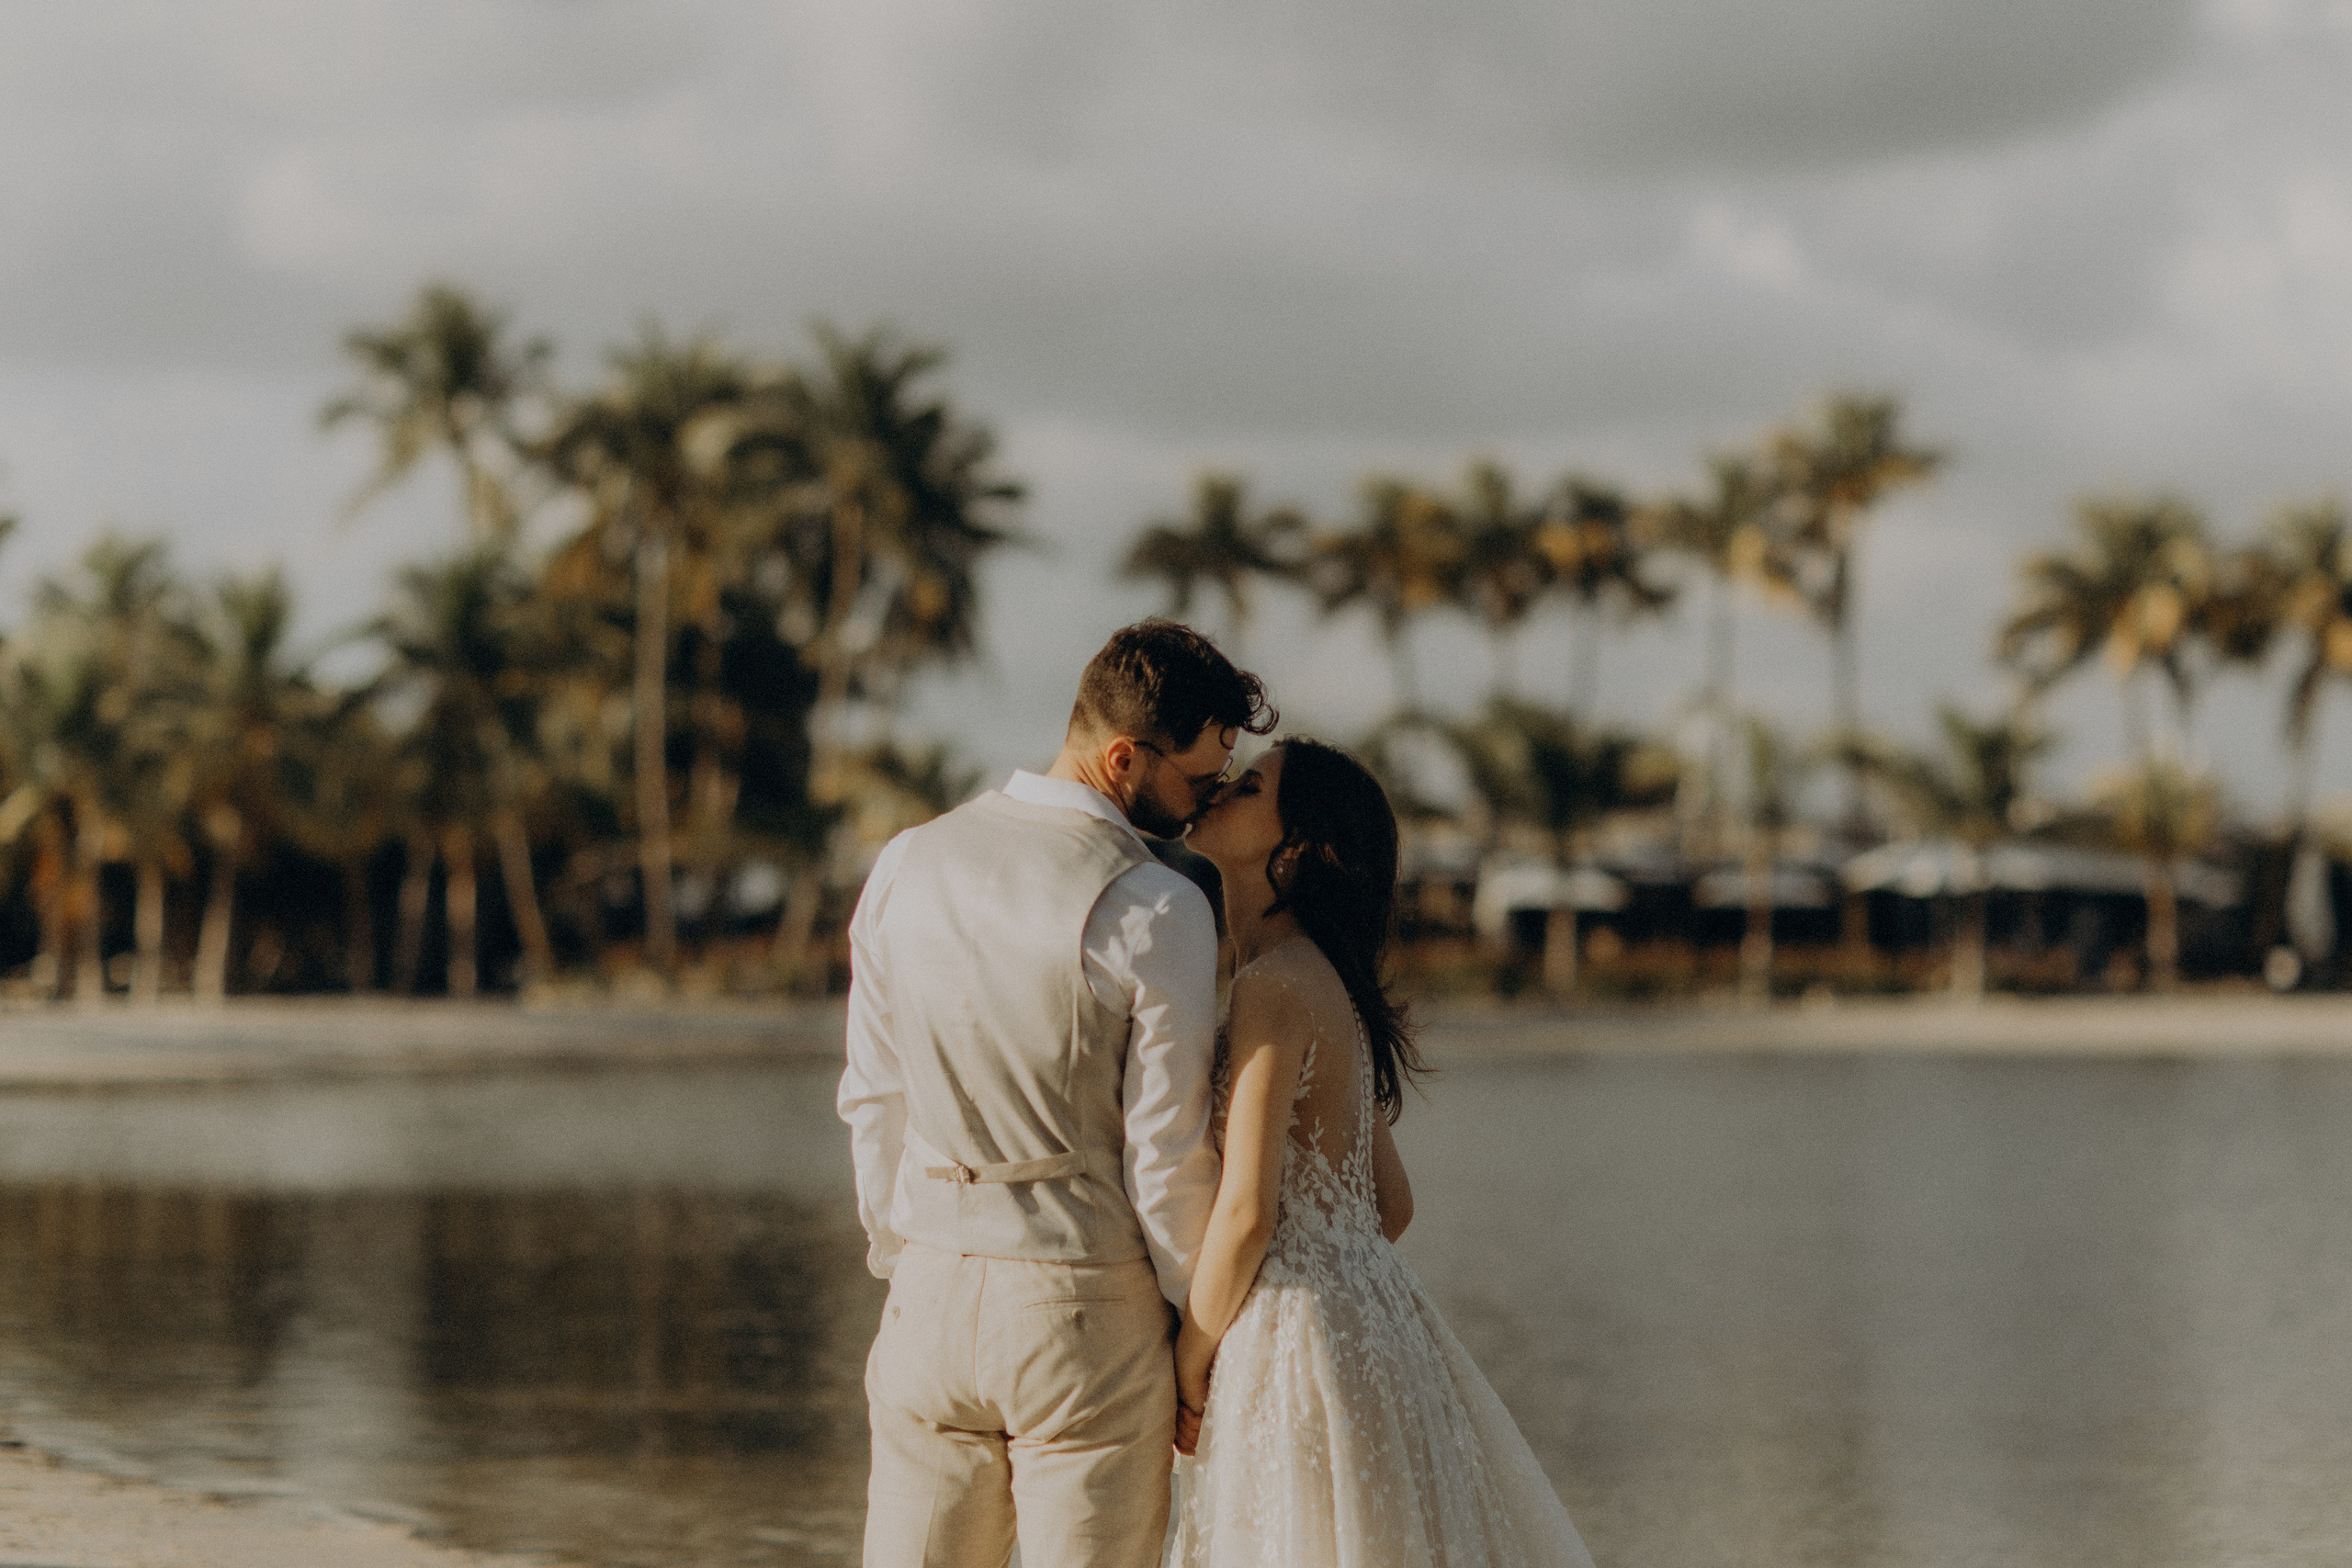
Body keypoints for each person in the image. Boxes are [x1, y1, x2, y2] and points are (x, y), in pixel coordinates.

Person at [839, 620, 1275, 1568]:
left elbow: (873, 1095)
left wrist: (907, 1256)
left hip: (927, 1290)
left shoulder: (906, 862)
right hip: (1081, 1308)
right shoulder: (1155, 907)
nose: (1205, 805)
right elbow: (1163, 1163)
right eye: (1200, 780)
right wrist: (1192, 1337)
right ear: (1124, 758)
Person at [1170, 738, 1596, 1568]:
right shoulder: (1319, 975)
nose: (1220, 790)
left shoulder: (1270, 985)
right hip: (1373, 1327)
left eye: (1248, 786)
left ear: (1291, 845)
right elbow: (1390, 1205)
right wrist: (1339, 1274)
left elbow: (1250, 1211)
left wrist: (1189, 1358)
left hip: (1294, 1337)